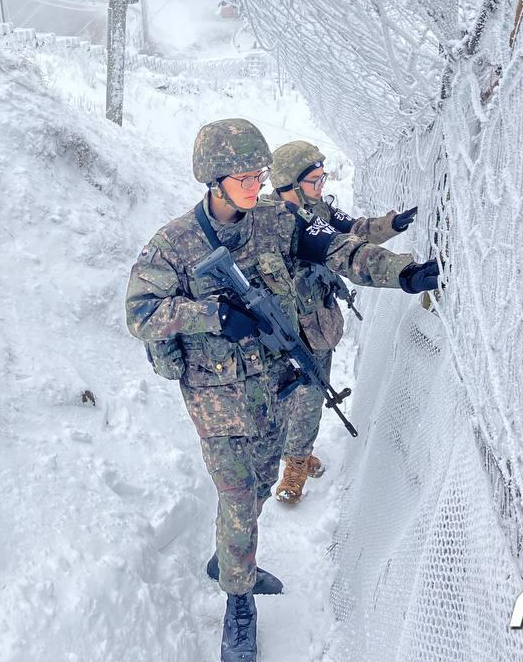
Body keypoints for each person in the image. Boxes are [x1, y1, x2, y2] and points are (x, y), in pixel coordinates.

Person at [124, 119, 440, 662]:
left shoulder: (277, 220)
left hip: (272, 387)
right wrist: (213, 315)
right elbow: (140, 313)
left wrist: (403, 272)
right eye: (244, 177)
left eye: (260, 174)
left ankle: (229, 559)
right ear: (212, 180)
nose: (255, 185)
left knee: (263, 481)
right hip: (216, 397)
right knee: (239, 496)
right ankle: (238, 604)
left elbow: (339, 250)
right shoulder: (173, 244)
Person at [262, 140, 419, 504]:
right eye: (314, 181)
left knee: (311, 393)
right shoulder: (265, 220)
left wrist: (391, 225)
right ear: (288, 184)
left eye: (323, 179)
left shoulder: (318, 211)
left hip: (315, 323)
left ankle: (297, 459)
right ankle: (292, 457)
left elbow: (354, 234)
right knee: (283, 398)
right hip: (275, 326)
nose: (321, 188)